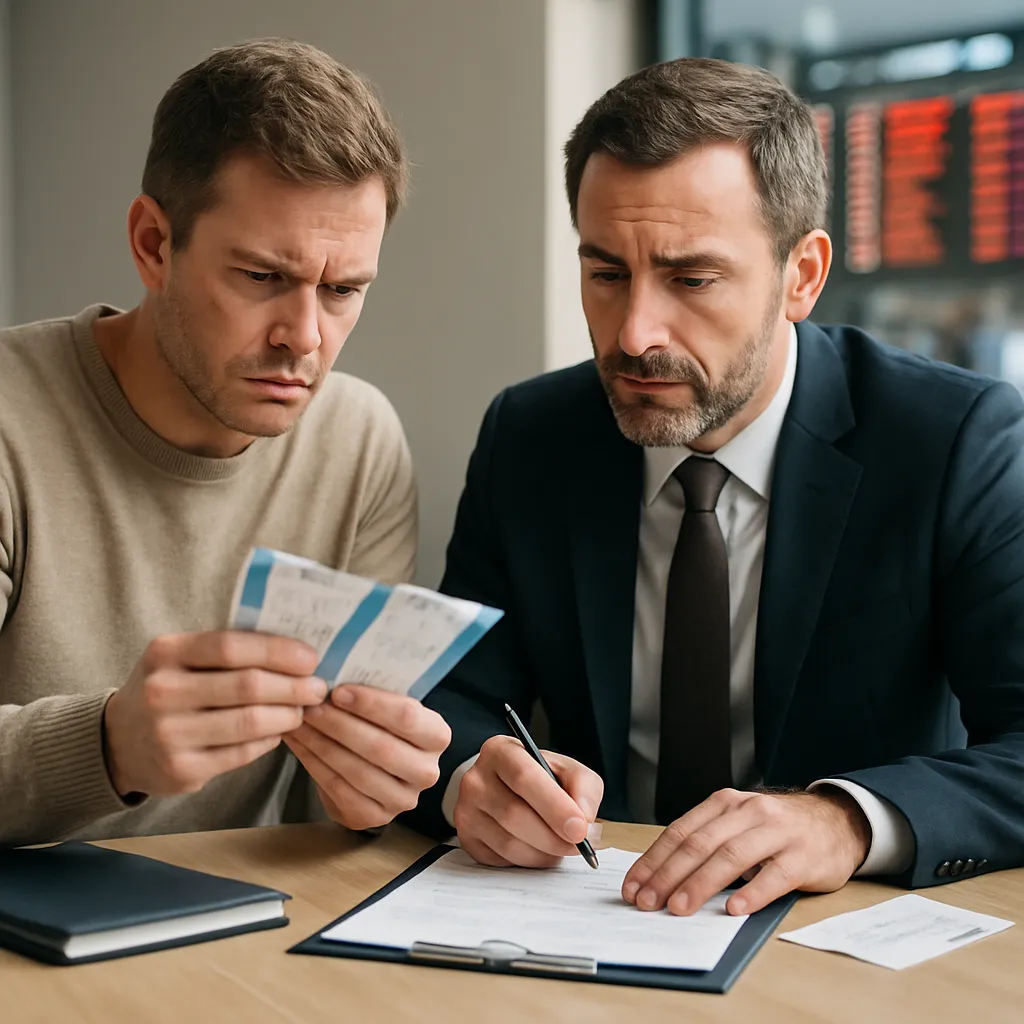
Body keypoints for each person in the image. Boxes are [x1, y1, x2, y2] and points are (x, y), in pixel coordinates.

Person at [405, 57, 1024, 917]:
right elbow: (455, 695)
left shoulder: (955, 440)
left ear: (802, 276)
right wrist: (473, 778)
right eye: (606, 272)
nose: (634, 333)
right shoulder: (534, 436)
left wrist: (845, 819)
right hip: (592, 917)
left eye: (692, 278)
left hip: (841, 945)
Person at [0, 39, 451, 848]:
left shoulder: (359, 439)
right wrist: (107, 747)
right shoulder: (10, 423)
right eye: (261, 277)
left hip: (244, 933)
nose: (304, 338)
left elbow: (336, 807)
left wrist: (372, 787)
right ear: (152, 244)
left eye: (344, 291)